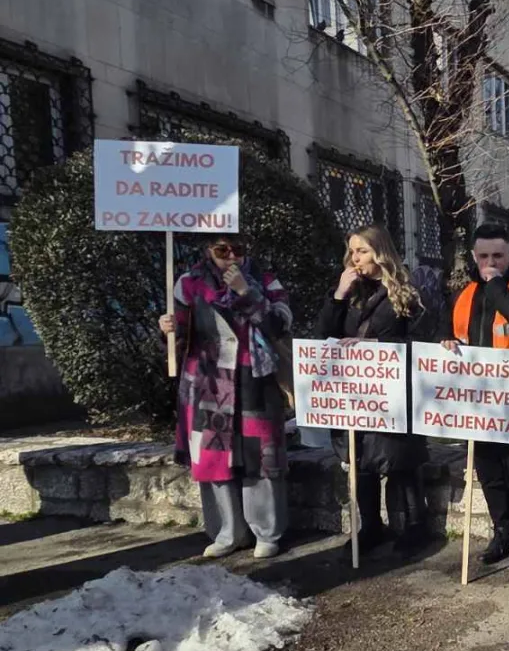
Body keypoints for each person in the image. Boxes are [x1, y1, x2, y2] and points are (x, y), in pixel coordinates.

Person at [159, 234, 292, 560]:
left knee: (260, 457)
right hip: (207, 382)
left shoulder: (265, 280)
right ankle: (227, 531)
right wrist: (167, 331)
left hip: (254, 378)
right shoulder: (188, 283)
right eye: (222, 250)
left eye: (238, 249)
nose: (230, 256)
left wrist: (247, 293)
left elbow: (280, 325)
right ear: (208, 250)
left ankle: (266, 531)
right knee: (214, 459)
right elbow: (181, 337)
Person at [443, 222, 509, 583]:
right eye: (484, 256)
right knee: (488, 473)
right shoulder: (464, 294)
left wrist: (495, 284)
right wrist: (445, 342)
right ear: (474, 256)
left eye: (498, 256)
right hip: (477, 400)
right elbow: (449, 332)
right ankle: (502, 533)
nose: (491, 262)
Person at [317, 225, 432, 555]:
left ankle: (415, 525)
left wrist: (376, 346)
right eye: (352, 251)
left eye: (362, 251)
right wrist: (338, 295)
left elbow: (421, 341)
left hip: (391, 394)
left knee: (402, 461)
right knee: (361, 461)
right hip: (355, 395)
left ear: (380, 253)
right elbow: (323, 334)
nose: (355, 258)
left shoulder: (407, 291)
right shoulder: (351, 292)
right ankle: (370, 527)